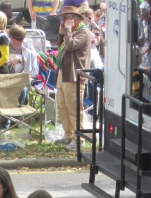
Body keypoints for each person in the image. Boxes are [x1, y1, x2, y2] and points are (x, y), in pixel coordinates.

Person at [55, 5, 91, 150]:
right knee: (62, 106)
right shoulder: (72, 31)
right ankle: (68, 135)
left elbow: (70, 46)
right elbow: (61, 46)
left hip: (74, 76)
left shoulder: (84, 32)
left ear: (74, 19)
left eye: (66, 18)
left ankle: (79, 139)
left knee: (74, 108)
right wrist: (61, 32)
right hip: (64, 72)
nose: (64, 21)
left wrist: (67, 30)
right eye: (62, 18)